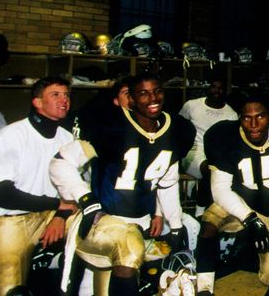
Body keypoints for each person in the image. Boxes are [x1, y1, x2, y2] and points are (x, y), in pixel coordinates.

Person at [50, 73, 195, 296]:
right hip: (103, 219)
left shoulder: (175, 129)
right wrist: (85, 198)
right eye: (143, 93)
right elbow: (60, 163)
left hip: (141, 221)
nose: (152, 98)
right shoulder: (112, 126)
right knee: (128, 250)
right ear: (132, 99)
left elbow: (167, 182)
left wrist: (175, 225)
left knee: (102, 284)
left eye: (157, 91)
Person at [194, 92, 269, 294]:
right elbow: (220, 189)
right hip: (241, 203)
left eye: (260, 116)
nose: (253, 124)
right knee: (210, 221)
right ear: (239, 118)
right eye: (246, 117)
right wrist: (250, 219)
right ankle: (203, 287)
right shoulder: (226, 136)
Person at [0, 76, 76, 296]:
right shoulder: (10, 136)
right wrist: (58, 204)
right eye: (55, 95)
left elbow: (75, 191)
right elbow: (2, 195)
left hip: (52, 214)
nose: (63, 100)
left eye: (66, 95)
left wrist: (60, 216)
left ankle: (59, 265)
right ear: (37, 102)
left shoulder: (68, 139)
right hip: (11, 220)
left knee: (92, 225)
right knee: (10, 291)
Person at [179, 75, 237, 216]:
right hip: (193, 152)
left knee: (220, 170)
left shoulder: (231, 114)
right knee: (210, 170)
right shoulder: (192, 105)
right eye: (213, 87)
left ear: (225, 91)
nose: (216, 91)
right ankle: (200, 212)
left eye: (221, 88)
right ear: (207, 88)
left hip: (216, 154)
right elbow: (180, 126)